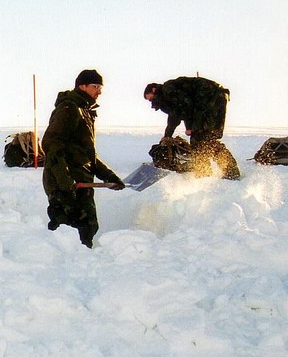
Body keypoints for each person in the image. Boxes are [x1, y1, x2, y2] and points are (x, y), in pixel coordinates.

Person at [41, 69, 124, 248]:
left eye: (100, 87)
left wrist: (108, 176)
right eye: (95, 86)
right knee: (66, 232)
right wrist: (64, 180)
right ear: (82, 86)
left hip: (80, 180)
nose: (99, 91)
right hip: (65, 183)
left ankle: (84, 269)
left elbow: (87, 154)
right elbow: (51, 144)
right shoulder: (69, 108)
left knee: (88, 228)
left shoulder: (85, 111)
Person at [143, 77, 240, 180]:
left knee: (198, 140)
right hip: (217, 98)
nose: (151, 102)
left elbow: (184, 107)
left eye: (150, 98)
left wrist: (190, 127)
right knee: (208, 139)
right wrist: (169, 135)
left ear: (154, 90)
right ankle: (229, 171)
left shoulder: (168, 89)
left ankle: (204, 174)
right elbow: (180, 111)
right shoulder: (170, 92)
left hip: (209, 101)